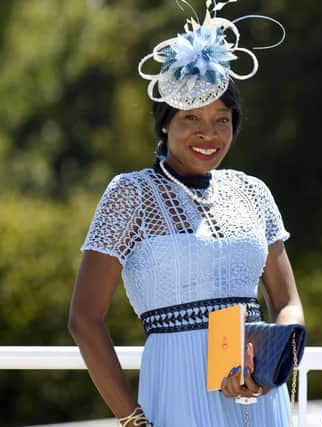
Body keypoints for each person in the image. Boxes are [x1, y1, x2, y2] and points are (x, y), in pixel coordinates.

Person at [68, 2, 303, 426]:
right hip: (174, 393)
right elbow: (84, 319)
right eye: (190, 118)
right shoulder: (130, 193)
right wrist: (133, 420)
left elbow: (287, 303)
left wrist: (271, 367)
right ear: (165, 124)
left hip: (260, 393)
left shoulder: (253, 191)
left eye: (222, 119)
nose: (207, 134)